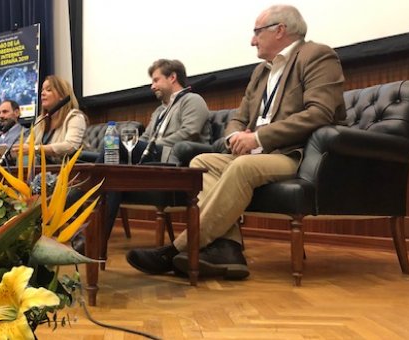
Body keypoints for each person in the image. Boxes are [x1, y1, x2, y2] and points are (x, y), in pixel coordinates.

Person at [126, 4, 346, 280]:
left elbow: (319, 113)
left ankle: (177, 248)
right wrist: (233, 136)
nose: (252, 40)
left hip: (295, 153)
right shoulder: (261, 72)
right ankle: (228, 249)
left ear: (280, 30)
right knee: (202, 162)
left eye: (257, 32)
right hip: (257, 153)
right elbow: (239, 118)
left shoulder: (317, 55)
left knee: (240, 168)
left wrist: (259, 137)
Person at [97, 59, 211, 245]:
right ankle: (97, 236)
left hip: (175, 159)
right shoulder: (159, 111)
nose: (152, 86)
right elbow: (144, 139)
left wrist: (151, 146)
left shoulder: (192, 100)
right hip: (152, 158)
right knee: (114, 171)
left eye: (156, 80)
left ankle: (91, 215)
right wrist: (142, 146)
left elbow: (189, 133)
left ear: (172, 77)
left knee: (114, 143)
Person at [12, 75, 88, 164]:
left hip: (68, 170)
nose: (42, 93)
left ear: (62, 96)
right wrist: (15, 150)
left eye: (48, 90)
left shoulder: (75, 117)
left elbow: (70, 146)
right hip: (42, 171)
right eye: (42, 90)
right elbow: (28, 145)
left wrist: (36, 149)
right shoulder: (41, 120)